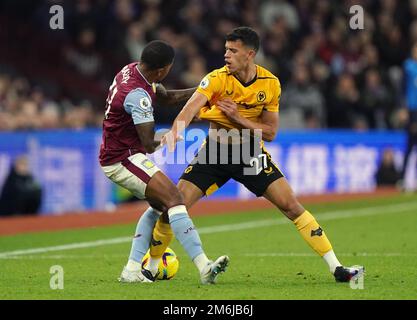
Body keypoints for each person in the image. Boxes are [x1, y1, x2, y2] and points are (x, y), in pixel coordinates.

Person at [146, 27, 363, 283]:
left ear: (249, 55)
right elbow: (190, 108)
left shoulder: (270, 84)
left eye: (232, 50)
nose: (226, 55)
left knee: (291, 206)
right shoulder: (216, 78)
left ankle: (336, 268)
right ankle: (151, 266)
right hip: (214, 154)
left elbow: (270, 132)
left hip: (249, 153)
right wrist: (175, 131)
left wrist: (238, 117)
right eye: (226, 49)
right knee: (174, 206)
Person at [98, 40, 229, 284]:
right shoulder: (138, 96)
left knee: (160, 206)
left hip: (122, 153)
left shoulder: (133, 70)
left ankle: (131, 270)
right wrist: (170, 137)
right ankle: (204, 267)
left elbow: (166, 98)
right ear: (161, 71)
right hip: (122, 158)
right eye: (169, 68)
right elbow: (148, 143)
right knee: (175, 198)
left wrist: (204, 89)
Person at [401, 43, 417, 188]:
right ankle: (403, 179)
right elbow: (403, 88)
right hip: (412, 109)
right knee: (410, 144)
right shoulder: (408, 66)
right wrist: (403, 108)